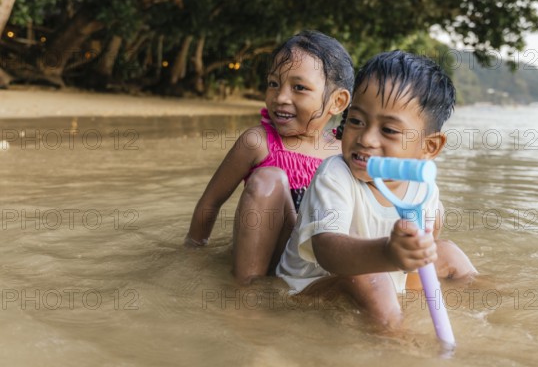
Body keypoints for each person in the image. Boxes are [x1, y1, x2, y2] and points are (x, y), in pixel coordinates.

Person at [276, 50, 477, 331]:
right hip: (309, 292)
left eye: (389, 131)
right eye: (356, 121)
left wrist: (412, 254)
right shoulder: (336, 174)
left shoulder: (424, 190)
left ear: (429, 147)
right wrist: (388, 253)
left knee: (448, 254)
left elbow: (417, 259)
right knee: (370, 276)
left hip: (383, 283)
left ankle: (495, 320)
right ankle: (401, 347)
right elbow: (327, 250)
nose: (366, 139)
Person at [185, 31, 354, 285]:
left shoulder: (346, 153)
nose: (280, 98)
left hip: (315, 263)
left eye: (299, 87)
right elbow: (210, 202)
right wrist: (191, 256)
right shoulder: (257, 142)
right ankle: (246, 297)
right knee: (268, 178)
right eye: (274, 83)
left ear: (337, 101)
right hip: (268, 260)